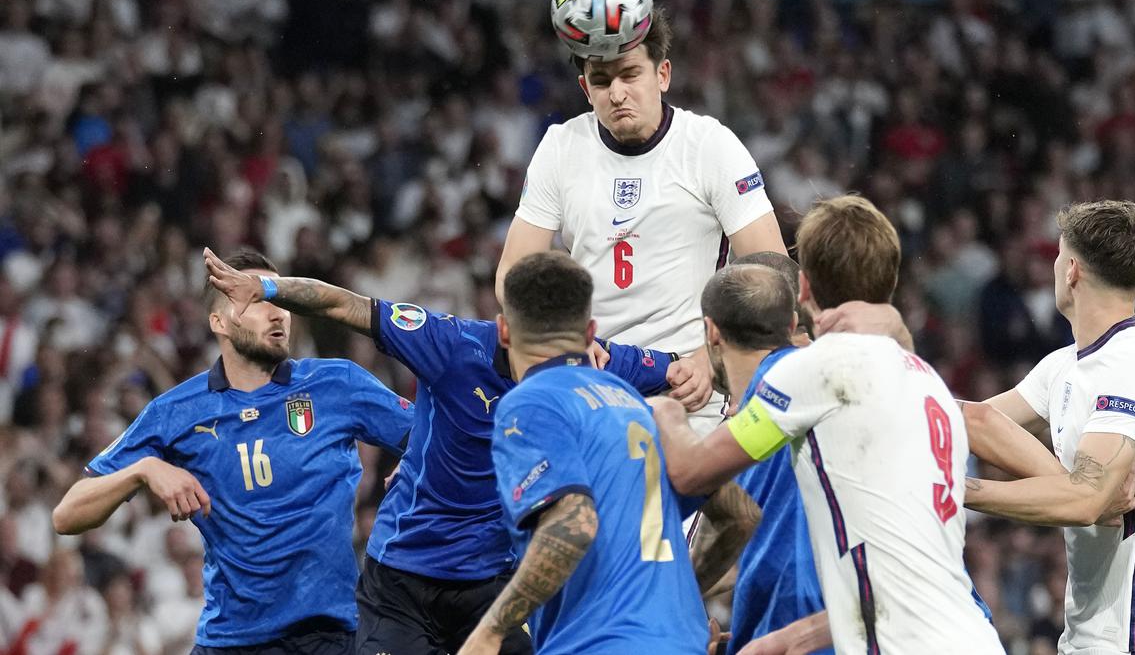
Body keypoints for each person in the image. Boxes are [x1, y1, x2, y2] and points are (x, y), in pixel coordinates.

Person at [201, 248, 712, 654]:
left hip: (493, 581)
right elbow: (347, 305)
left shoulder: (596, 362)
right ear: (504, 331)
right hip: (402, 578)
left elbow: (688, 368)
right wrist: (267, 286)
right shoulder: (448, 343)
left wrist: (700, 366)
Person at [650, 196, 1006, 653]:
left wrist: (660, 408)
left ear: (802, 289)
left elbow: (692, 472)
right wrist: (775, 641)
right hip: (966, 632)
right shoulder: (928, 382)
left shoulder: (812, 372)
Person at [52, 250, 416, 654]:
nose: (278, 314)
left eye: (283, 301)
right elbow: (67, 514)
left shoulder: (336, 383)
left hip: (329, 637)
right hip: (229, 641)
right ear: (218, 322)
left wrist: (418, 464)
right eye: (259, 301)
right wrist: (143, 469)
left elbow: (435, 439)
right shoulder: (177, 411)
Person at [496, 2, 788, 435]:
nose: (616, 93)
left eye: (629, 74)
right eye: (601, 80)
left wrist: (715, 359)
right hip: (595, 389)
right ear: (584, 88)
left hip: (693, 396)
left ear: (662, 74)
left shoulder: (710, 145)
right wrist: (562, 336)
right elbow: (510, 273)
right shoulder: (560, 147)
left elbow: (773, 274)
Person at [457, 251, 759, 655]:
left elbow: (575, 522)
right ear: (590, 333)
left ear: (504, 331)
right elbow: (740, 516)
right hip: (682, 642)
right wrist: (681, 598)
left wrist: (489, 631)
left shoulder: (532, 404)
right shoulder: (636, 403)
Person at [962, 200, 1135, 655]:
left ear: (1071, 270)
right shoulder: (1066, 365)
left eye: (1056, 255)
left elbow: (1086, 499)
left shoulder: (1133, 368)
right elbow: (980, 420)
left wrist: (959, 490)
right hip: (1089, 637)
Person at [692, 258, 833, 654]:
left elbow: (738, 518)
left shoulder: (779, 396)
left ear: (711, 331)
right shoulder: (819, 383)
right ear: (791, 324)